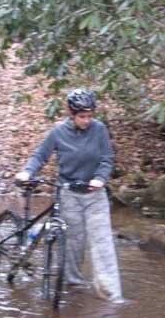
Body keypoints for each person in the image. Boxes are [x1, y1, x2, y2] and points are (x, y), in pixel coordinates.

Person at [15, 89, 124, 303]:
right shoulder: (58, 133)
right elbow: (40, 156)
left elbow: (107, 158)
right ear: (71, 114)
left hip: (95, 194)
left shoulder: (100, 130)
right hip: (69, 193)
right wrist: (28, 171)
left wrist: (100, 178)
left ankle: (112, 295)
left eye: (90, 116)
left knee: (102, 242)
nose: (86, 120)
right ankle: (73, 284)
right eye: (82, 116)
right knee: (74, 241)